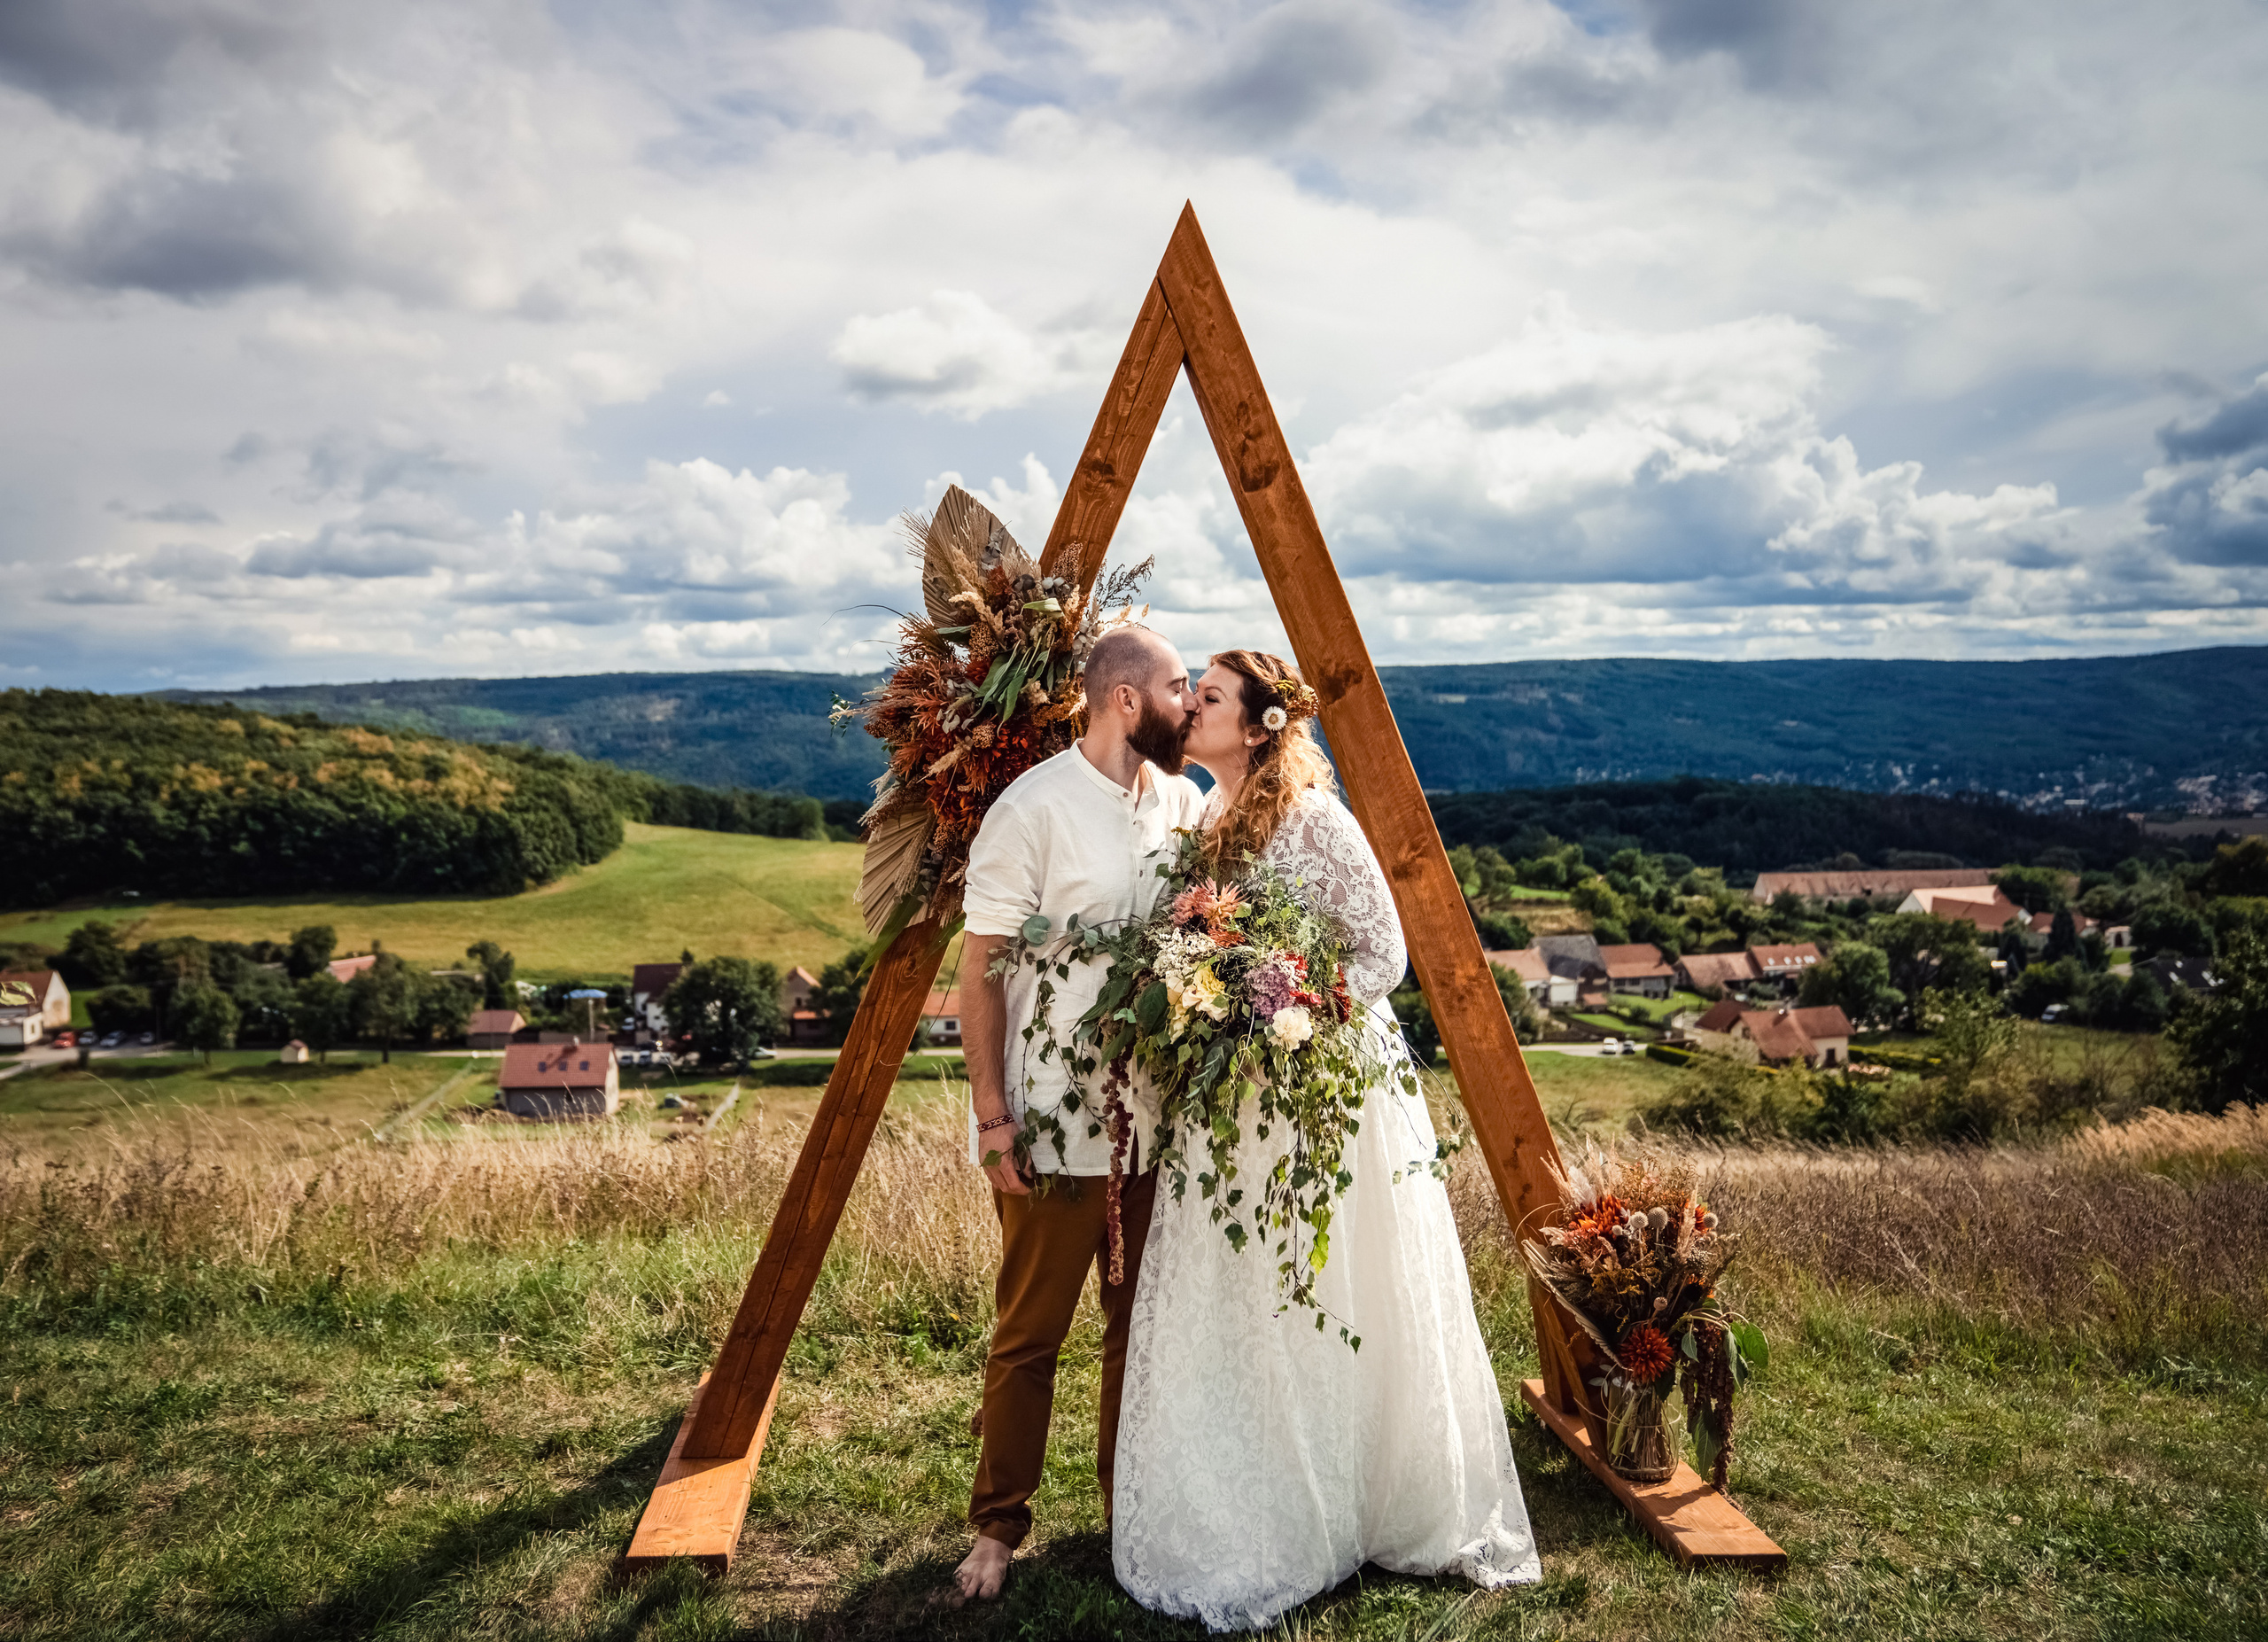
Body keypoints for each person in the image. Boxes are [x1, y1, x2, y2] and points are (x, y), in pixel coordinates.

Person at [1112, 648, 1542, 1632]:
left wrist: (1275, 1007)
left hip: (1317, 1085)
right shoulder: (1210, 817)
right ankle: (1256, 1485)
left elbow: (1380, 953)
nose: (1189, 711)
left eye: (1208, 698)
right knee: (1245, 1287)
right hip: (1237, 1101)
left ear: (1261, 723)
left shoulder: (1313, 819)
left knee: (1331, 1281)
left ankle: (1363, 1496)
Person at [951, 625, 1208, 1603]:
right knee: (1030, 1333)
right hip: (1052, 1118)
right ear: (1124, 700)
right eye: (1180, 686)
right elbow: (977, 972)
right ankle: (997, 1526)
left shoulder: (1182, 799)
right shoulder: (1034, 809)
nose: (1191, 702)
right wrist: (991, 1115)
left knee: (1135, 1331)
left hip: (1157, 1121)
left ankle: (1124, 1514)